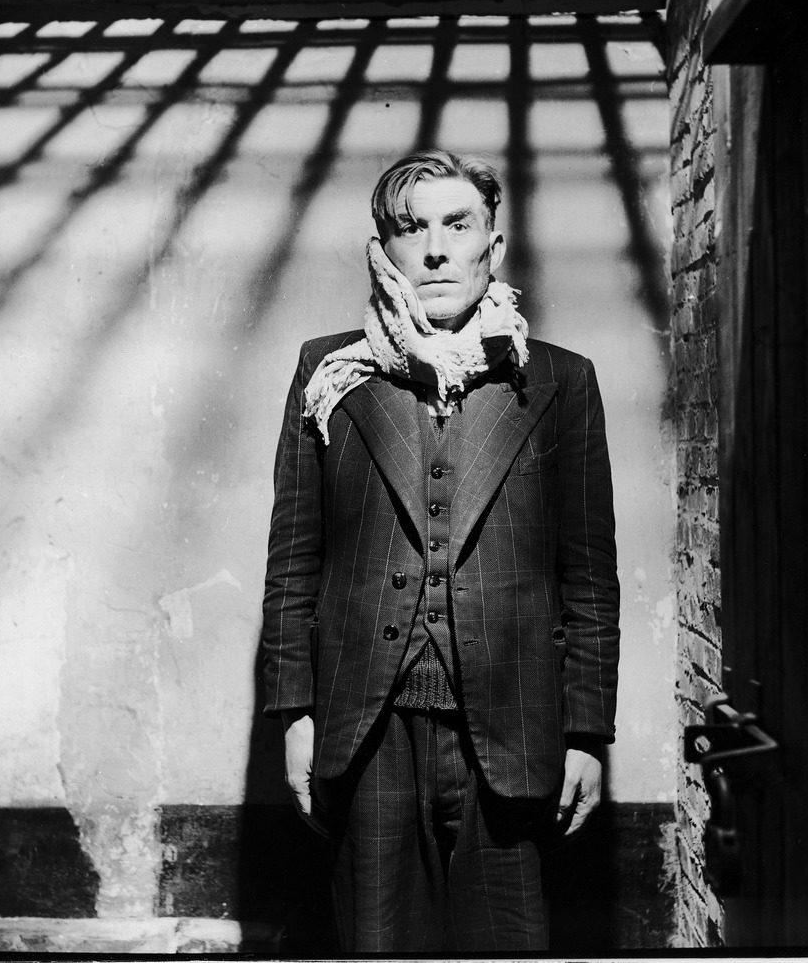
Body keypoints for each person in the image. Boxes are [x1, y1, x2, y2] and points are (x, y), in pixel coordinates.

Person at [261, 150, 619, 953]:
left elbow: (589, 575)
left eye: (458, 226)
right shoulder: (331, 376)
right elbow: (293, 560)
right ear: (383, 250)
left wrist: (588, 732)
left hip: (514, 729)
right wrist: (294, 714)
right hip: (366, 729)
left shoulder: (559, 382)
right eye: (410, 228)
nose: (434, 249)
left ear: (491, 246)